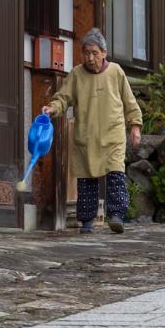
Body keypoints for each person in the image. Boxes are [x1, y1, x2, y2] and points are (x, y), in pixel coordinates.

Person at [42, 28, 142, 234]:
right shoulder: (76, 74)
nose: (90, 58)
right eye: (86, 53)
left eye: (95, 53)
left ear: (104, 53)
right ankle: (87, 222)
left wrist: (135, 125)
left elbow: (129, 101)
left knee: (116, 176)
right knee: (86, 181)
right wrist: (52, 108)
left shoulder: (116, 72)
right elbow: (63, 98)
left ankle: (116, 216)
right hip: (86, 136)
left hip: (113, 136)